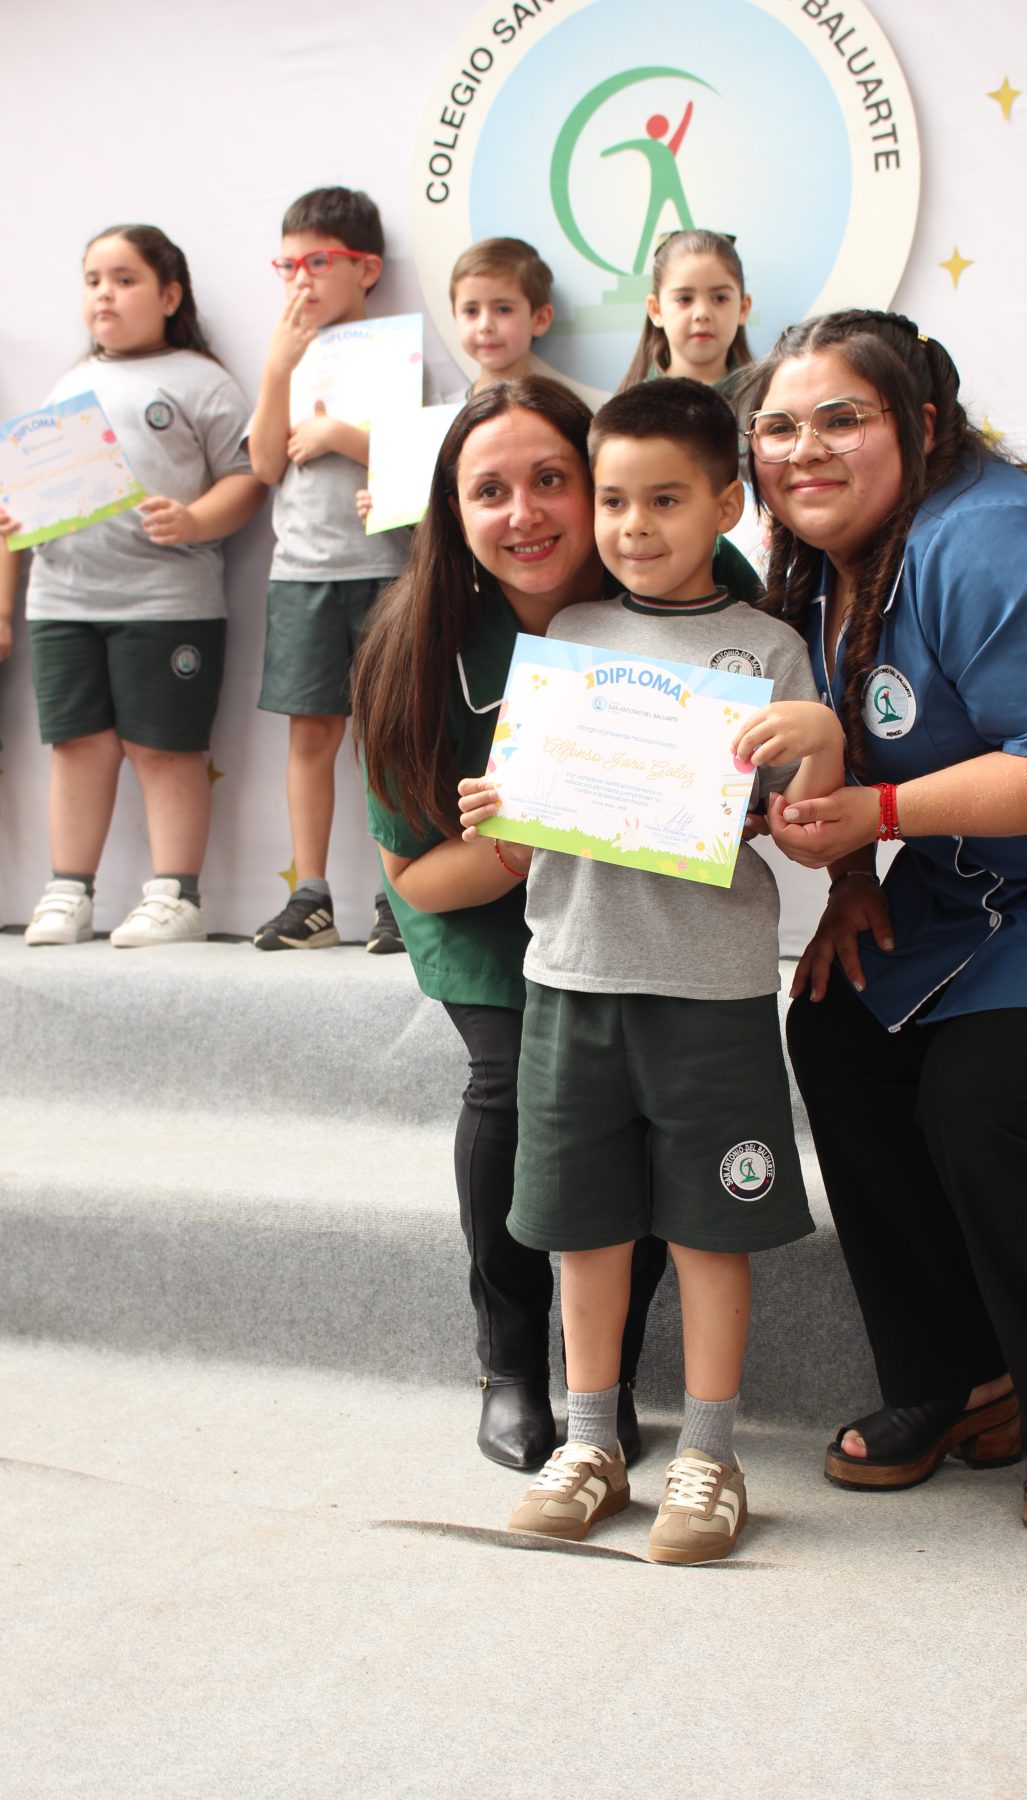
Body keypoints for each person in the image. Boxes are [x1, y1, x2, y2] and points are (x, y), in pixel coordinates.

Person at [738, 307, 1027, 1535]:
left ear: (923, 425)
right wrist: (851, 881)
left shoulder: (989, 541)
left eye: (845, 417)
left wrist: (873, 815)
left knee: (984, 1097)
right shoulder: (832, 564)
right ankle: (950, 1382)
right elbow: (853, 744)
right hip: (984, 880)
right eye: (779, 426)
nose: (806, 449)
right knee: (838, 1027)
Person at [459, 378, 843, 1564]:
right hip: (572, 977)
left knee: (707, 1233)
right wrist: (500, 814)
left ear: (729, 500)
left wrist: (820, 741)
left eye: (666, 499)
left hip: (711, 992)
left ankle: (711, 1453)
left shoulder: (769, 647)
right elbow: (528, 838)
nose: (633, 526)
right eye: (614, 499)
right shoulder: (566, 640)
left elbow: (809, 811)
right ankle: (591, 1443)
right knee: (583, 1229)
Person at [352, 378, 675, 1474]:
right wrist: (526, 839)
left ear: (602, 487)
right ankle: (510, 1365)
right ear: (451, 509)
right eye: (489, 490)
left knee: (641, 1113)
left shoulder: (682, 577)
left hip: (640, 915)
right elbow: (419, 883)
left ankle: (608, 1376)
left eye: (552, 480)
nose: (525, 513)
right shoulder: (410, 645)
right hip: (489, 922)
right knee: (513, 1086)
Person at [0, 224, 263, 947]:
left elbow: (246, 480)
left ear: (169, 294)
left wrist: (195, 517)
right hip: (61, 598)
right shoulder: (68, 383)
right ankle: (67, 889)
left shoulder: (201, 380)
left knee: (163, 747)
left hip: (165, 602)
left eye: (123, 279)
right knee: (77, 745)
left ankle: (177, 895)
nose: (104, 295)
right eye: (92, 281)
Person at [248, 187, 410, 955]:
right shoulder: (285, 351)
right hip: (301, 572)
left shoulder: (397, 351)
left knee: (388, 734)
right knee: (311, 732)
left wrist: (345, 434)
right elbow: (262, 463)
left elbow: (422, 466)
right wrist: (279, 369)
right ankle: (310, 897)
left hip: (385, 568)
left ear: (367, 268)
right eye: (288, 264)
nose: (300, 278)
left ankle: (399, 893)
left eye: (319, 261)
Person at [618, 229, 752, 395]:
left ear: (743, 308)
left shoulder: (765, 401)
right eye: (684, 299)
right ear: (655, 309)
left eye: (720, 298)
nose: (702, 313)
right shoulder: (629, 408)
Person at [446, 237, 555, 402]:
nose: (485, 326)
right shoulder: (442, 417)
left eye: (503, 309)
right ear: (455, 317)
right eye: (471, 311)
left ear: (540, 319)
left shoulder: (560, 413)